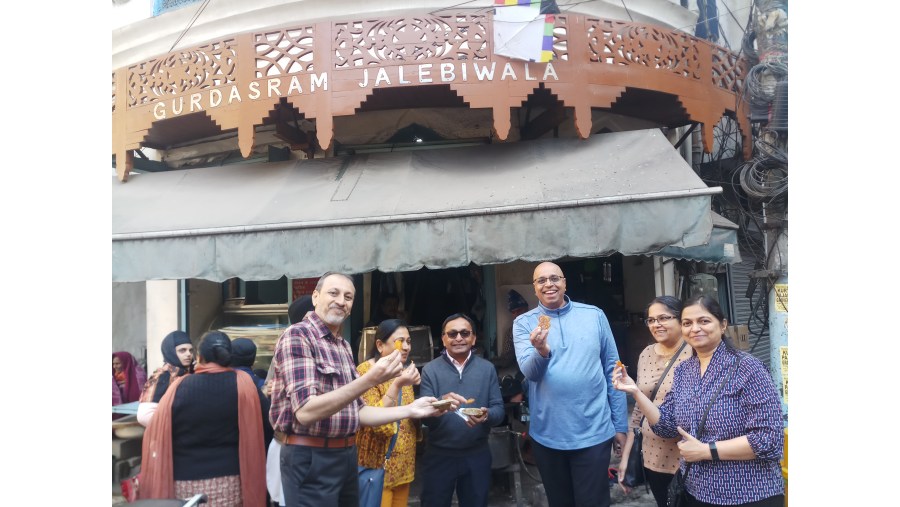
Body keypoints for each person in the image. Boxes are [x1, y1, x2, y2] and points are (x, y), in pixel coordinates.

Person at [268, 272, 460, 507]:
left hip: (347, 455)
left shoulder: (343, 346)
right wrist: (370, 379)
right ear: (316, 297)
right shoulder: (298, 336)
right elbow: (306, 412)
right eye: (333, 293)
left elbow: (360, 413)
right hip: (310, 456)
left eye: (348, 297)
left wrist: (413, 409)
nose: (341, 301)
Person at [612, 295, 785, 507]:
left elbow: (769, 439)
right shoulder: (685, 371)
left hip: (747, 493)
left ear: (722, 325)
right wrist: (635, 391)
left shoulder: (748, 369)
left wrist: (707, 451)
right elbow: (666, 425)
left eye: (703, 321)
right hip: (697, 491)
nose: (695, 328)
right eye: (688, 323)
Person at [512, 261, 628, 507]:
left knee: (593, 502)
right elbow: (530, 373)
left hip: (594, 432)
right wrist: (541, 351)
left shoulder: (594, 315)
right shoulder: (524, 323)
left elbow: (613, 370)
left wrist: (620, 425)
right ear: (534, 288)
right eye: (541, 280)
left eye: (555, 278)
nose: (549, 284)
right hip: (548, 435)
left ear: (565, 282)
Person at [139, 331, 267, 506]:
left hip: (186, 483)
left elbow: (158, 428)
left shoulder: (179, 387)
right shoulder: (244, 384)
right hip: (230, 482)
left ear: (199, 356)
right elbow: (267, 424)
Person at [419, 313, 505, 507]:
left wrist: (487, 415)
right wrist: (441, 404)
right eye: (452, 333)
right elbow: (424, 418)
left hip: (477, 453)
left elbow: (499, 410)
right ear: (443, 339)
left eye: (465, 333)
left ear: (473, 338)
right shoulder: (430, 370)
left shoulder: (487, 369)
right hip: (439, 455)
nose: (459, 338)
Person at [616, 296, 693, 507]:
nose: (656, 324)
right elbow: (639, 412)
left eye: (664, 318)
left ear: (681, 320)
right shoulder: (646, 354)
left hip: (688, 459)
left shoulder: (695, 353)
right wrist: (626, 459)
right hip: (652, 458)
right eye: (651, 320)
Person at [355, 319, 421, 507]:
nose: (407, 347)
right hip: (376, 465)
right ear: (380, 345)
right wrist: (397, 385)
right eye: (400, 341)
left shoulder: (405, 370)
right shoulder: (365, 372)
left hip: (404, 465)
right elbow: (375, 423)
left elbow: (406, 414)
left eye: (409, 341)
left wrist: (427, 408)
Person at [267, 295, 315, 507]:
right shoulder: (292, 341)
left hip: (318, 449)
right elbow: (269, 387)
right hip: (292, 443)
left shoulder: (333, 345)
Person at [137, 330, 195, 427]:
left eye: (191, 350)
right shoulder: (162, 376)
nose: (188, 354)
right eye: (182, 350)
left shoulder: (188, 371)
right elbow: (144, 416)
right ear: (170, 352)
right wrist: (176, 428)